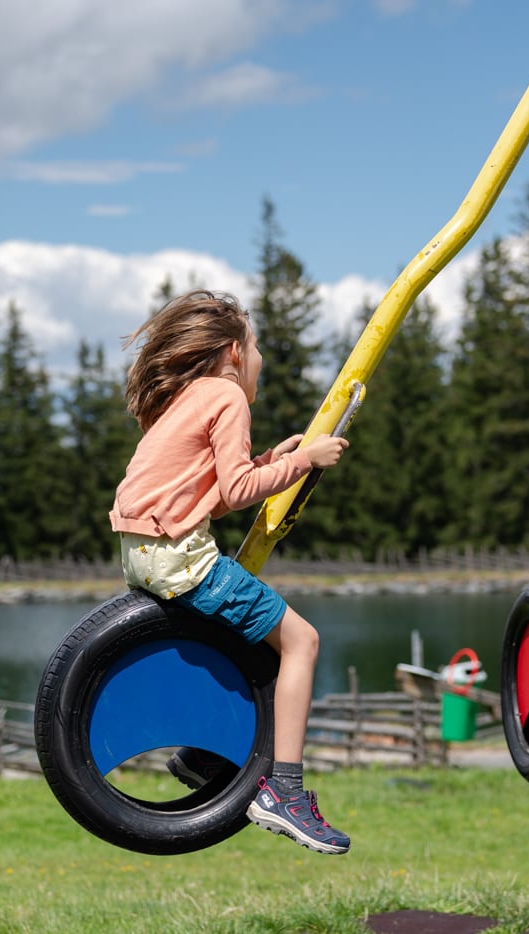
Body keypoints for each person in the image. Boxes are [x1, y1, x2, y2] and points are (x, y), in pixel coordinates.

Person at [109, 289, 352, 855]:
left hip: (141, 556)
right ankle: (284, 793)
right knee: (302, 642)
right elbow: (238, 494)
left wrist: (272, 461)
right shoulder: (225, 395)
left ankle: (205, 755)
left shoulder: (188, 397)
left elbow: (214, 496)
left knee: (246, 643)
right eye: (258, 343)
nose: (261, 356)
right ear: (235, 351)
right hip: (182, 557)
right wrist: (303, 462)